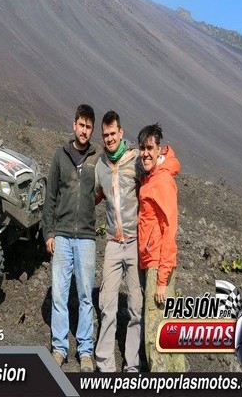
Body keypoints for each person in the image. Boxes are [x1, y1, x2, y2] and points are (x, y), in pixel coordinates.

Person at [43, 104, 100, 373]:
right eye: (81, 125)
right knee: (59, 295)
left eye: (89, 127)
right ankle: (60, 348)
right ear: (74, 124)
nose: (84, 130)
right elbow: (50, 197)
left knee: (86, 296)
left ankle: (85, 351)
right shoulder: (60, 156)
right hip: (63, 236)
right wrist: (49, 232)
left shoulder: (97, 158)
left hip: (87, 236)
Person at [94, 111, 143, 372]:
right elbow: (93, 195)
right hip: (113, 242)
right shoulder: (100, 165)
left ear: (121, 133)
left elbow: (159, 170)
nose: (110, 138)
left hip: (135, 243)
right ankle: (105, 365)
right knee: (107, 306)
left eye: (114, 133)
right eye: (106, 135)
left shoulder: (135, 160)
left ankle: (132, 365)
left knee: (135, 307)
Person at [137, 123, 186, 372]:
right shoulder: (153, 177)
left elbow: (169, 230)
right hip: (156, 262)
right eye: (142, 148)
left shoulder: (162, 181)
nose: (145, 153)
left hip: (158, 265)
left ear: (159, 150)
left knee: (155, 335)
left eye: (150, 148)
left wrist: (161, 279)